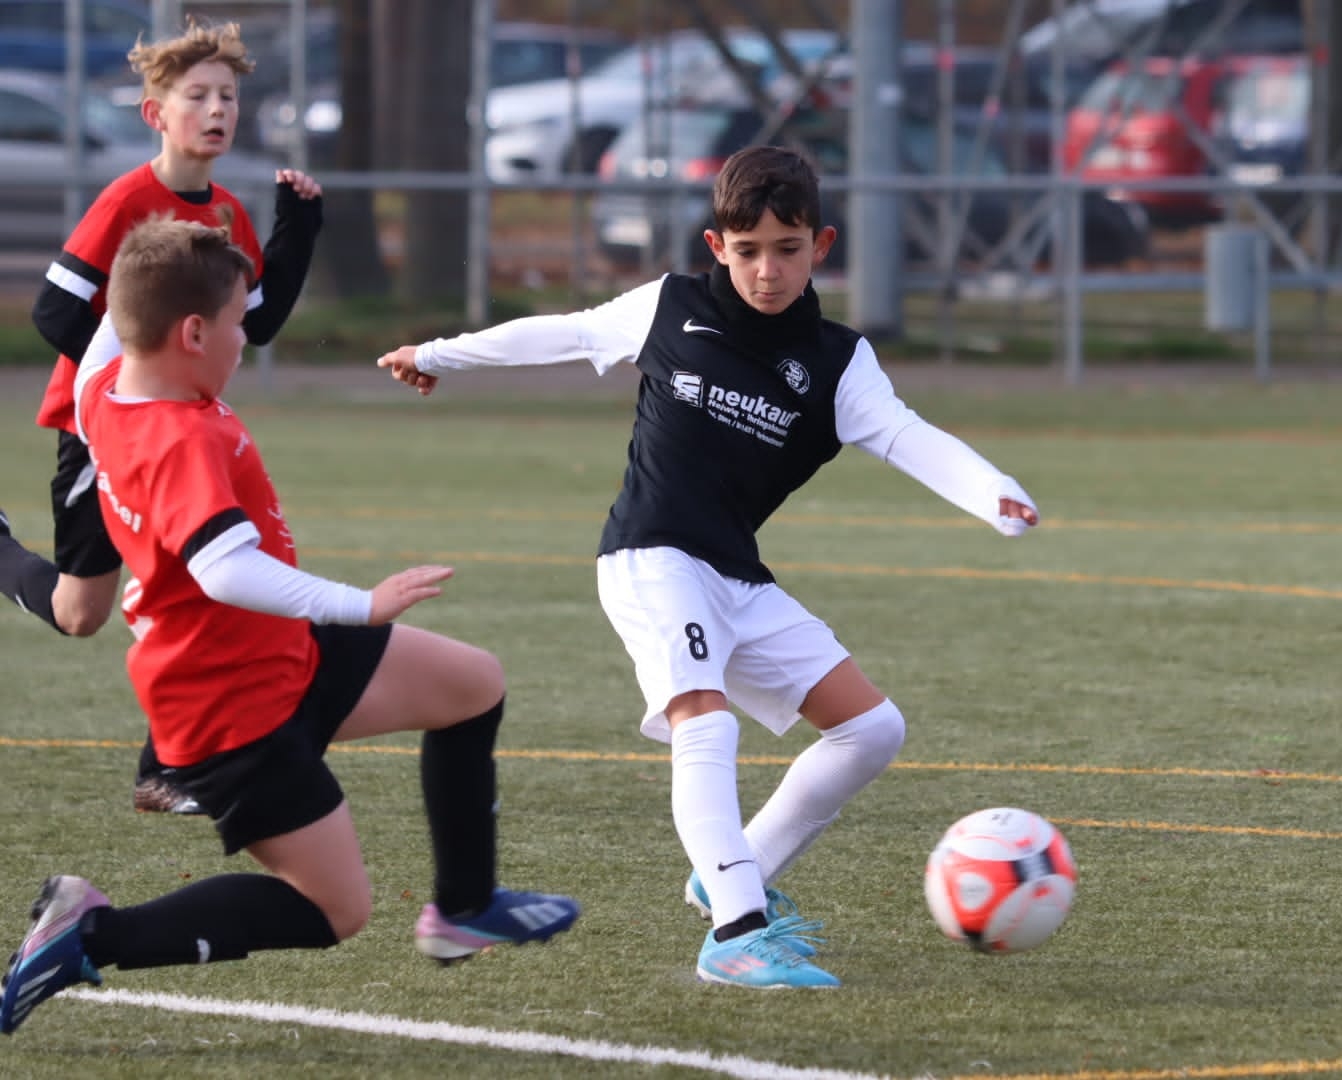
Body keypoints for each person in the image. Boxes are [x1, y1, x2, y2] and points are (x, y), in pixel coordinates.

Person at [376, 145, 1040, 989]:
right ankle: (737, 931)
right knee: (705, 721)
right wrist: (439, 352)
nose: (767, 270)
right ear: (717, 246)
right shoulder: (671, 306)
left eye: (787, 249)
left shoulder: (838, 362)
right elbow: (568, 332)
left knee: (872, 730)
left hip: (734, 574)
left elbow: (907, 436)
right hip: (650, 555)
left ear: (821, 245)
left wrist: (992, 491)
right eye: (748, 250)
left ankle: (735, 870)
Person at [0, 217, 579, 1038]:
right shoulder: (178, 437)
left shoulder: (107, 392)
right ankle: (92, 932)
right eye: (238, 322)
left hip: (279, 654)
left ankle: (465, 909)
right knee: (336, 910)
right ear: (191, 333)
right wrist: (361, 604)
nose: (247, 339)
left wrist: (165, 232)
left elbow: (112, 325)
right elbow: (224, 570)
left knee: (473, 684)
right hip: (229, 708)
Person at [0, 19, 324, 814]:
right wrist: (131, 397)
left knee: (189, 584)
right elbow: (53, 312)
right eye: (197, 95)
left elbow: (257, 322)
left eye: (229, 97)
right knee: (85, 611)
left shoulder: (227, 211)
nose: (217, 110)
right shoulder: (127, 202)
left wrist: (298, 230)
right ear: (155, 113)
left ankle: (168, 768)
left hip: (179, 438)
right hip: (105, 436)